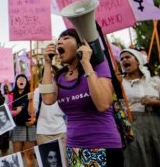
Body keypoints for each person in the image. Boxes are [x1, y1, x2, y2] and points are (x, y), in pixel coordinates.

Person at [41, 28, 123, 167]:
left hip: (104, 144)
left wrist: (86, 63)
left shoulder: (98, 66)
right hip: (74, 147)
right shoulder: (60, 76)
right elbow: (48, 99)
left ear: (80, 45)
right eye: (59, 40)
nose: (60, 42)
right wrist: (48, 64)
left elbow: (103, 104)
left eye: (66, 38)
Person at [119, 48, 160, 166]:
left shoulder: (155, 82)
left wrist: (155, 102)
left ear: (138, 61)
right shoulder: (120, 84)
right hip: (132, 127)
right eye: (122, 59)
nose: (124, 60)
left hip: (156, 126)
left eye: (128, 57)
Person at [33, 66, 67, 161]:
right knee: (47, 162)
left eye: (53, 72)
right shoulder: (38, 91)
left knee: (63, 161)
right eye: (48, 72)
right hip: (43, 132)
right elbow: (32, 112)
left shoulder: (62, 89)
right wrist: (30, 101)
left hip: (61, 130)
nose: (51, 74)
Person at [6, 74, 36, 167]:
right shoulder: (11, 95)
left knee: (29, 154)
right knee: (17, 155)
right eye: (19, 79)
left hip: (29, 126)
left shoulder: (31, 93)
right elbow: (5, 111)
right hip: (17, 126)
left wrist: (33, 118)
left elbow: (36, 110)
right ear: (16, 82)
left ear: (26, 82)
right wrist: (15, 112)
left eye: (23, 79)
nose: (21, 80)